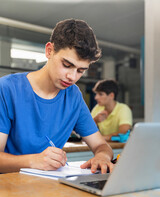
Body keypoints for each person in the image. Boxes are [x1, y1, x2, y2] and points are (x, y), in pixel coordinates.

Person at [0, 19, 113, 174]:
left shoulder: (73, 96)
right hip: (9, 188)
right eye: (67, 65)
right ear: (49, 51)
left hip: (50, 188)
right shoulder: (7, 89)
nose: (72, 77)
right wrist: (34, 161)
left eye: (81, 71)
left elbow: (101, 145)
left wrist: (102, 156)